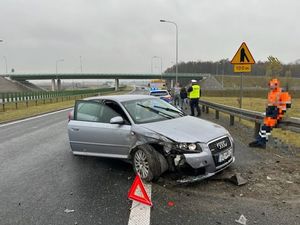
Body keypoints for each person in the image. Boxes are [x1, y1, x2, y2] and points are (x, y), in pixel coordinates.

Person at [249, 78, 291, 149]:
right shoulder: (271, 93)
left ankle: (261, 143)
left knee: (266, 127)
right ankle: (260, 141)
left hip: (278, 112)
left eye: (271, 85)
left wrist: (279, 105)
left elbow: (288, 104)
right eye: (270, 85)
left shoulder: (282, 92)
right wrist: (267, 111)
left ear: (276, 85)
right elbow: (270, 104)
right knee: (264, 126)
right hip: (270, 112)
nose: (270, 86)